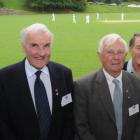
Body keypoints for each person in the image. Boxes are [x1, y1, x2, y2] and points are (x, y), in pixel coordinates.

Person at [0, 23, 74, 140]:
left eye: (46, 46)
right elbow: (3, 124)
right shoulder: (5, 78)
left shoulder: (64, 74)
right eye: (34, 46)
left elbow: (69, 119)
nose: (42, 53)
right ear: (23, 47)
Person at [74, 33, 140, 140]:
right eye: (110, 52)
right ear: (99, 55)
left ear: (126, 55)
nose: (116, 57)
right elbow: (81, 127)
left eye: (120, 52)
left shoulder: (137, 83)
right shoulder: (83, 86)